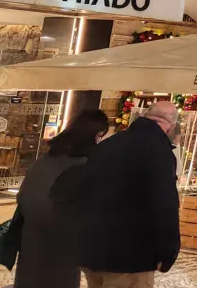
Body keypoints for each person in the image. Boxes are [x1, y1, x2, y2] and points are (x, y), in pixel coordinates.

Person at [75, 101, 181, 286]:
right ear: (170, 126)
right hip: (130, 258)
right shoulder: (158, 151)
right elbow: (164, 206)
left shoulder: (109, 144)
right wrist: (168, 252)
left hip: (92, 249)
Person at [15, 108, 108, 288]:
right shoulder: (86, 163)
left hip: (33, 234)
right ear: (97, 134)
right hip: (65, 237)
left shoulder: (49, 155)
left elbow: (24, 195)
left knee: (31, 278)